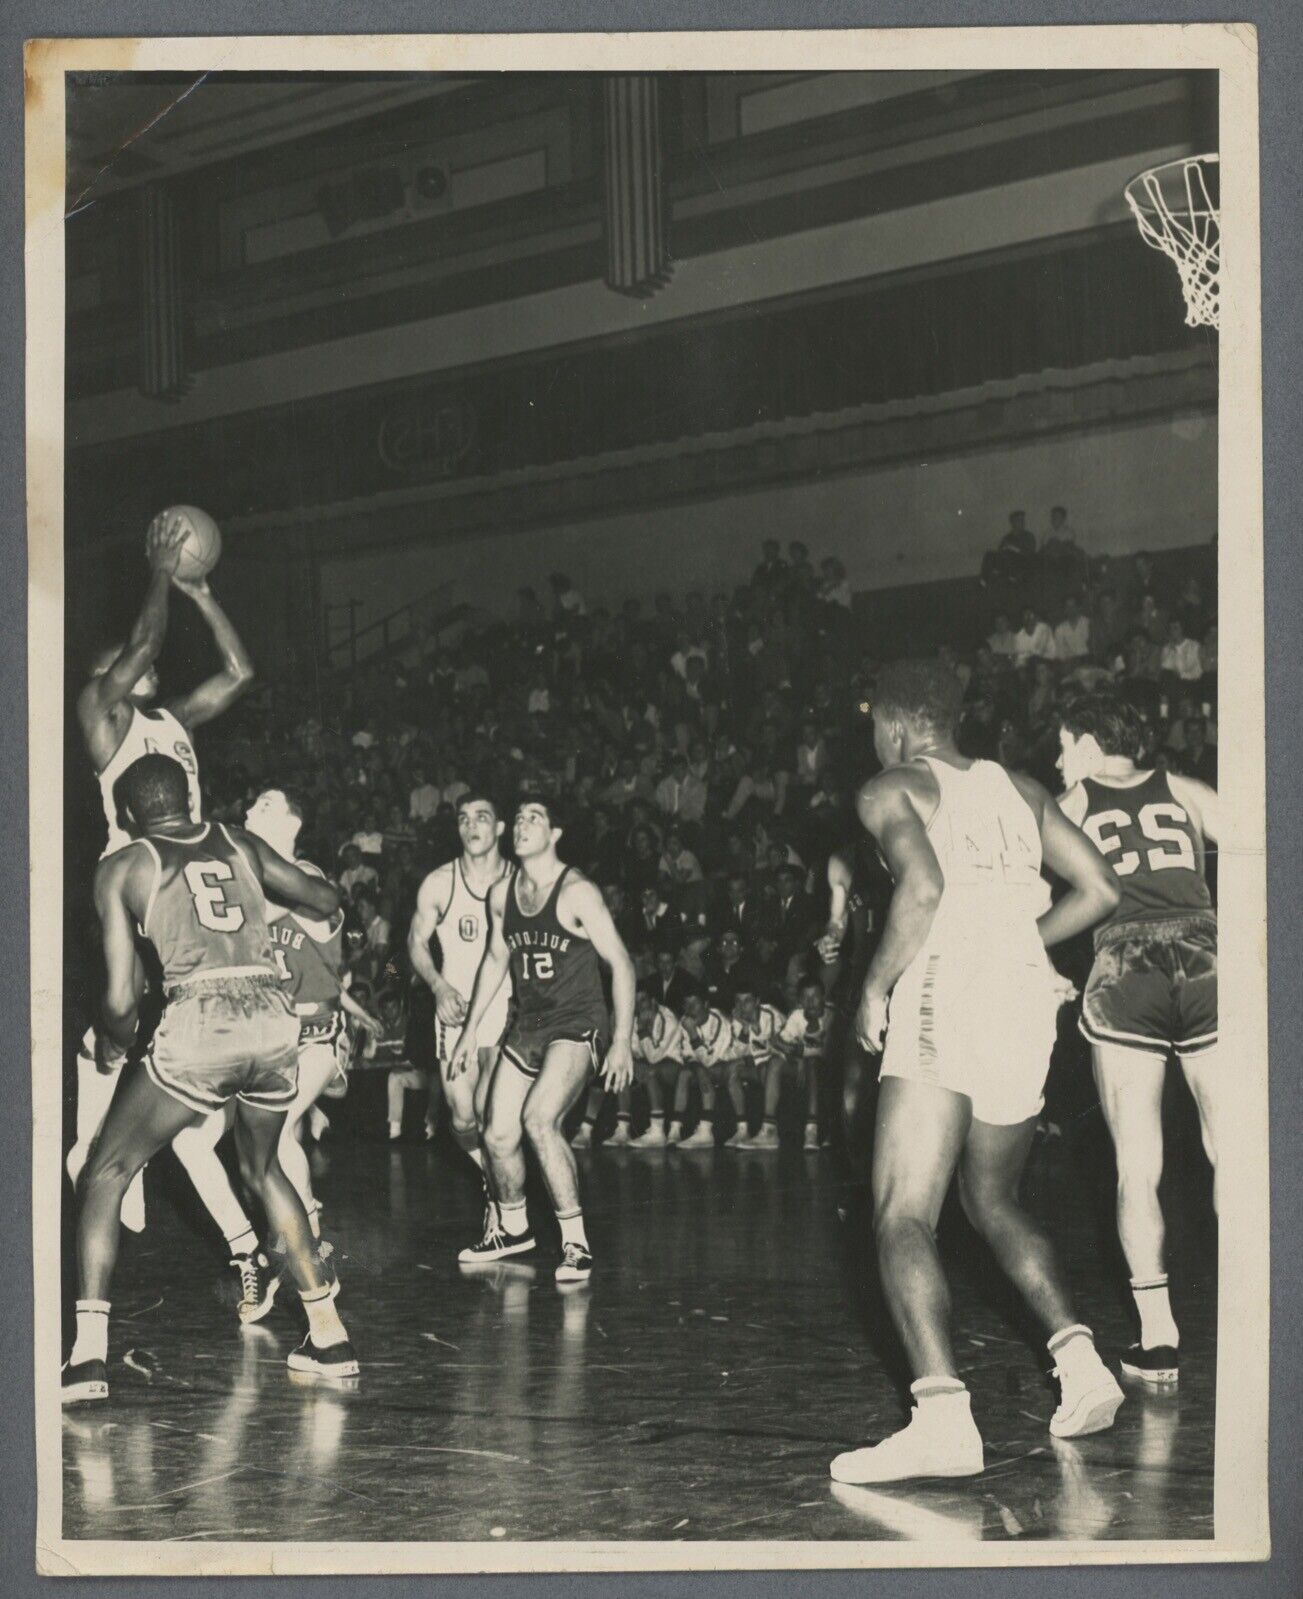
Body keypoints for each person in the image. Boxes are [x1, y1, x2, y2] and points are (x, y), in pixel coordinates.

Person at [828, 659, 1123, 1485]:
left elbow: (922, 887)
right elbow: (1100, 886)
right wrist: (1024, 944)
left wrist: (875, 985)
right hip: (1027, 1000)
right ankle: (1083, 1365)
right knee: (992, 1199)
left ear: (893, 724)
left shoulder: (890, 786)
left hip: (943, 986)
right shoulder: (1020, 787)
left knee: (899, 1211)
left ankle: (942, 1419)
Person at [63, 756, 358, 1404]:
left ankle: (87, 1357)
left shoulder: (125, 863)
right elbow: (326, 899)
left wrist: (115, 1047)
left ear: (128, 813)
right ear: (188, 799)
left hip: (203, 1015)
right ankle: (329, 1335)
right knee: (265, 1169)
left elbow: (118, 998)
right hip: (273, 1018)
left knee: (107, 1170)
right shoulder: (237, 840)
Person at [73, 512, 270, 1311]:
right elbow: (143, 649)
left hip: (188, 918)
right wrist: (157, 572)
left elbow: (240, 671)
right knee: (102, 1144)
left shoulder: (172, 722)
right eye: (120, 664)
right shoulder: (104, 717)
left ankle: (248, 1250)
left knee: (177, 1133)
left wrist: (199, 590)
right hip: (136, 902)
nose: (134, 664)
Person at [1057, 695, 1222, 1385]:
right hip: (1205, 955)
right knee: (1233, 1154)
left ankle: (1157, 1340)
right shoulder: (1182, 788)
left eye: (1064, 745)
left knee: (1137, 1162)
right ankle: (1261, 1307)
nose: (1059, 759)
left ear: (1090, 745)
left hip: (1125, 965)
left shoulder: (1068, 802)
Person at [450, 797, 635, 1282]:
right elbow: (494, 961)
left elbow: (622, 963)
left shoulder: (577, 892)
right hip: (529, 1023)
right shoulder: (500, 894)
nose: (524, 824)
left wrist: (621, 1041)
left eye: (536, 817)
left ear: (555, 834)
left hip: (578, 1023)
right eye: (522, 817)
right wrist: (469, 1033)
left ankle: (576, 1242)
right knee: (496, 1133)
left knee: (539, 1120)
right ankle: (513, 1229)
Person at [245, 786, 380, 1269]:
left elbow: (248, 920)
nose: (248, 810)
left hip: (321, 1036)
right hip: (278, 1036)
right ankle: (295, 1226)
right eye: (250, 805)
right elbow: (322, 970)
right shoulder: (261, 881)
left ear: (292, 824)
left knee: (277, 1132)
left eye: (263, 804)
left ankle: (306, 1231)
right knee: (275, 1137)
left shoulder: (304, 877)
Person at [408, 794, 513, 1228]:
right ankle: (491, 1175)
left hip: (507, 1005)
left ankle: (504, 1207)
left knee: (493, 1113)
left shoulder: (519, 879)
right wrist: (437, 985)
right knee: (462, 1115)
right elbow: (413, 944)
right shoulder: (438, 882)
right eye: (465, 819)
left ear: (500, 828)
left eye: (482, 818)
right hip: (455, 1008)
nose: (472, 826)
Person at [779, 980, 835, 1151]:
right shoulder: (796, 1015)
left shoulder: (832, 1014)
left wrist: (801, 1053)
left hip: (834, 1064)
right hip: (812, 1065)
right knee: (811, 1064)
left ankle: (830, 1131)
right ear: (800, 1001)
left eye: (815, 996)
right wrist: (800, 1059)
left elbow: (827, 1051)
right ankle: (811, 1130)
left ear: (823, 997)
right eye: (805, 997)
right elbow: (779, 1041)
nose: (810, 1002)